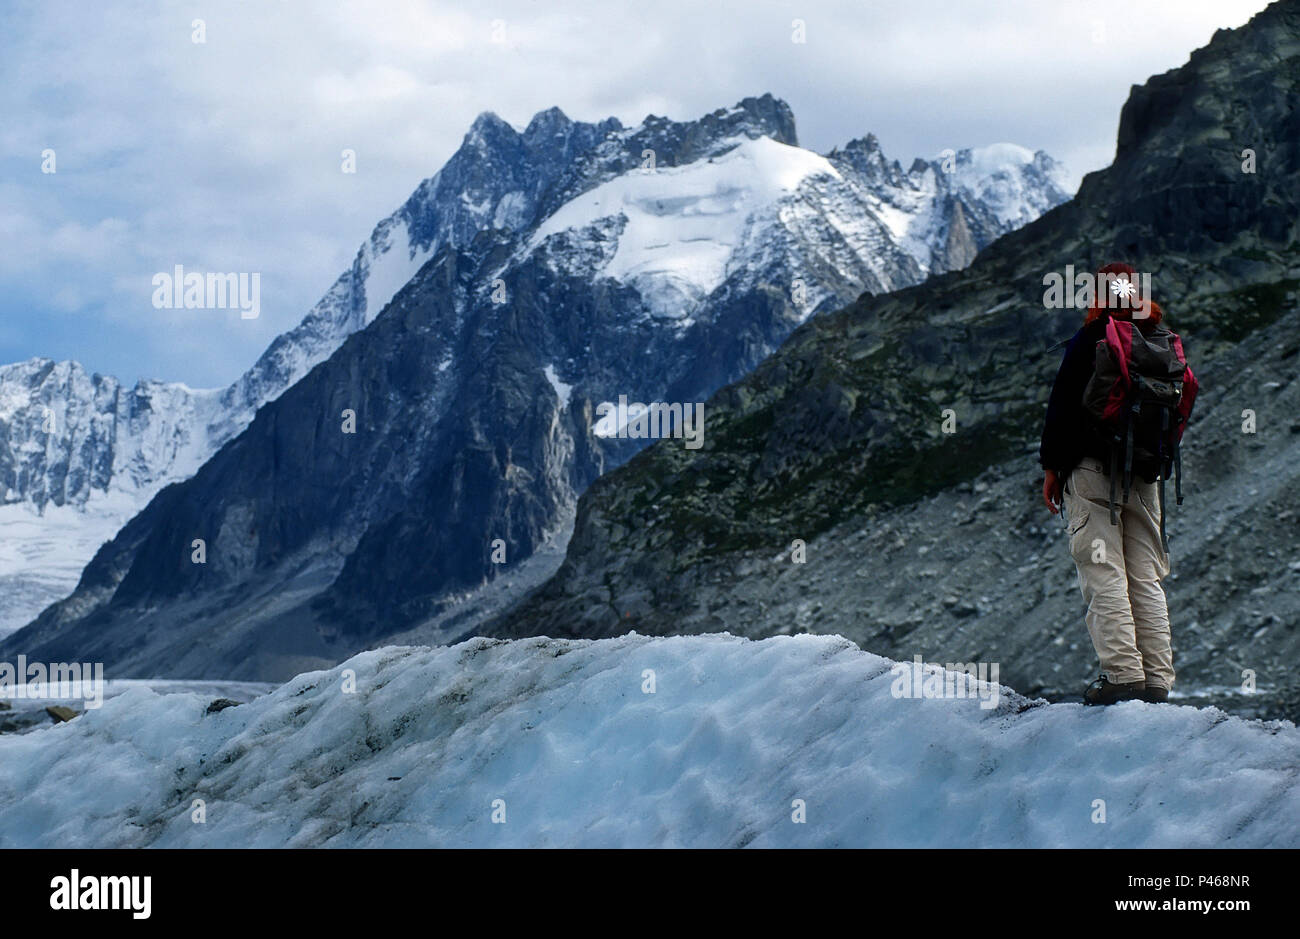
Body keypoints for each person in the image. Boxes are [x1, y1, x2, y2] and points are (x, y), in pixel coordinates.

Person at [1039, 262, 1177, 706]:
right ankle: (1156, 681)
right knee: (1145, 576)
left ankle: (1122, 675)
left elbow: (1061, 408)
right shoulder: (1159, 340)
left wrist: (1052, 469)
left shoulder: (1091, 338)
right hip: (1144, 472)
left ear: (1098, 295)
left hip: (1093, 470)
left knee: (1104, 570)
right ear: (1136, 292)